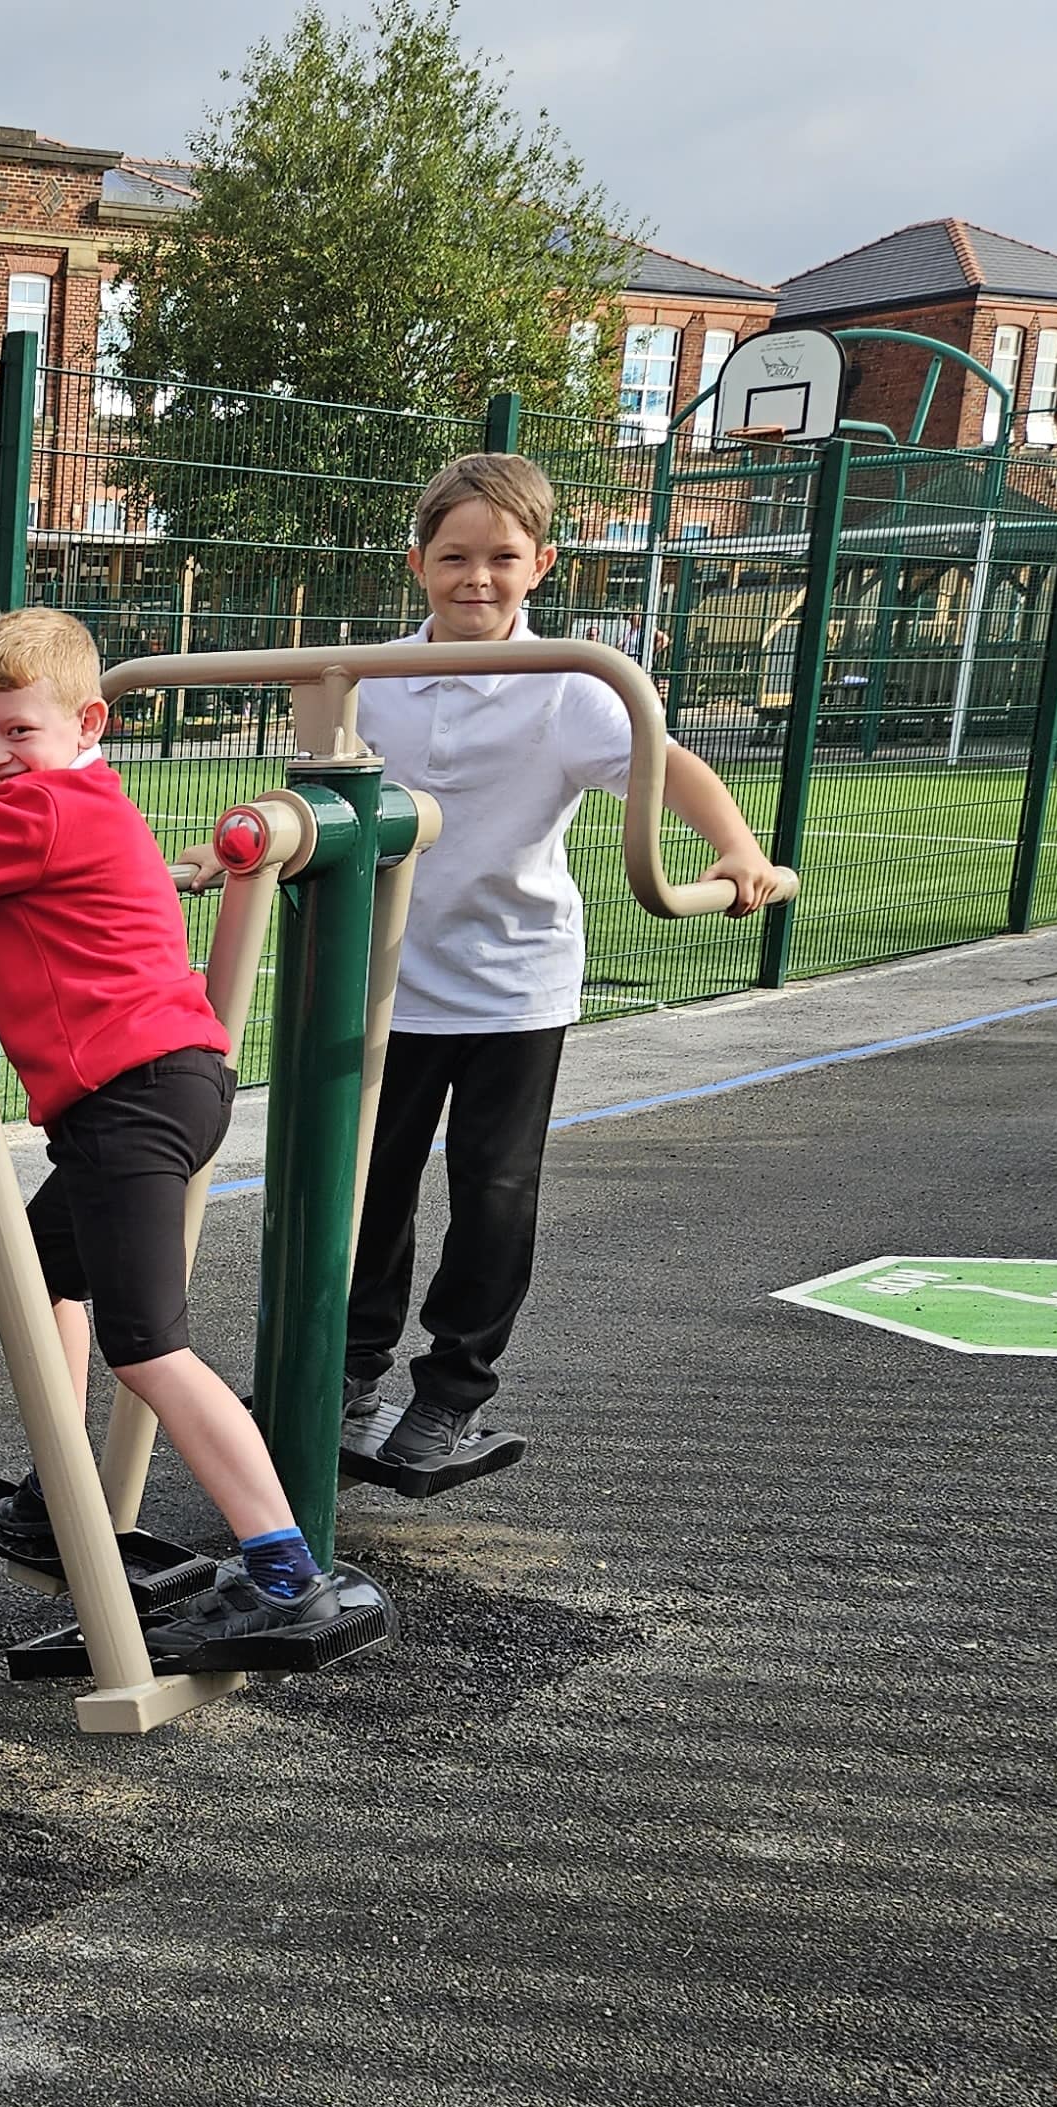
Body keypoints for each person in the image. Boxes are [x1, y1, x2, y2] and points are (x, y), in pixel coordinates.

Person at [342, 452, 790, 1481]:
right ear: (418, 563)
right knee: (369, 1185)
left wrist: (735, 847)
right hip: (384, 981)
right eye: (453, 556)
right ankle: (352, 1364)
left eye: (501, 557)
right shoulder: (368, 679)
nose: (476, 578)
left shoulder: (569, 688)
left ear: (540, 565)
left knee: (492, 1187)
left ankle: (451, 1386)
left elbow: (665, 764)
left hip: (511, 980)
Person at [0, 605, 357, 1622]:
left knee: (151, 1348)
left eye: (17, 731)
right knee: (45, 1272)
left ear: (88, 725)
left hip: (130, 1103)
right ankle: (58, 1491)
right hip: (156, 1090)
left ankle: (288, 1569)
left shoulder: (38, 814)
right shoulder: (89, 804)